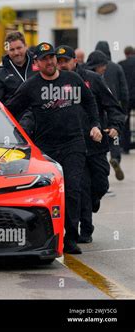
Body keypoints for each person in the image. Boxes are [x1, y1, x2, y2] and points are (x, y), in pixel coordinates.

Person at [6, 42, 102, 255]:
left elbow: (90, 102)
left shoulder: (73, 79)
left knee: (73, 189)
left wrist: (95, 125)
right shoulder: (31, 86)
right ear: (37, 63)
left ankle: (71, 237)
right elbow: (10, 110)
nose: (50, 61)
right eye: (44, 59)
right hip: (45, 148)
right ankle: (44, 234)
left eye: (52, 57)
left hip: (73, 144)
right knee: (46, 192)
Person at [56, 45, 125, 243]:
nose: (62, 65)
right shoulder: (54, 84)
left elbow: (113, 106)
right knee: (81, 187)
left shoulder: (92, 79)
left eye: (65, 61)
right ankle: (84, 229)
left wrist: (115, 126)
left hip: (96, 144)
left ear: (74, 61)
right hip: (72, 147)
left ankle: (94, 201)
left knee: (100, 184)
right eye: (59, 62)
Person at [95, 41, 129, 181]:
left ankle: (101, 165)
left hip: (99, 109)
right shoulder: (116, 67)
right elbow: (123, 90)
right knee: (114, 134)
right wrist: (123, 110)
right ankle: (115, 157)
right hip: (113, 108)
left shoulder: (93, 68)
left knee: (101, 136)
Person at [0, 31, 38, 105]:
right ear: (7, 51)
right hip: (15, 116)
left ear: (26, 46)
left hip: (40, 114)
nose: (16, 53)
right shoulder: (0, 74)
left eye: (19, 48)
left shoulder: (39, 64)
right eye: (12, 50)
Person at [118, 45, 135, 154]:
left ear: (125, 53)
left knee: (125, 121)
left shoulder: (120, 64)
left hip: (127, 97)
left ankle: (126, 146)